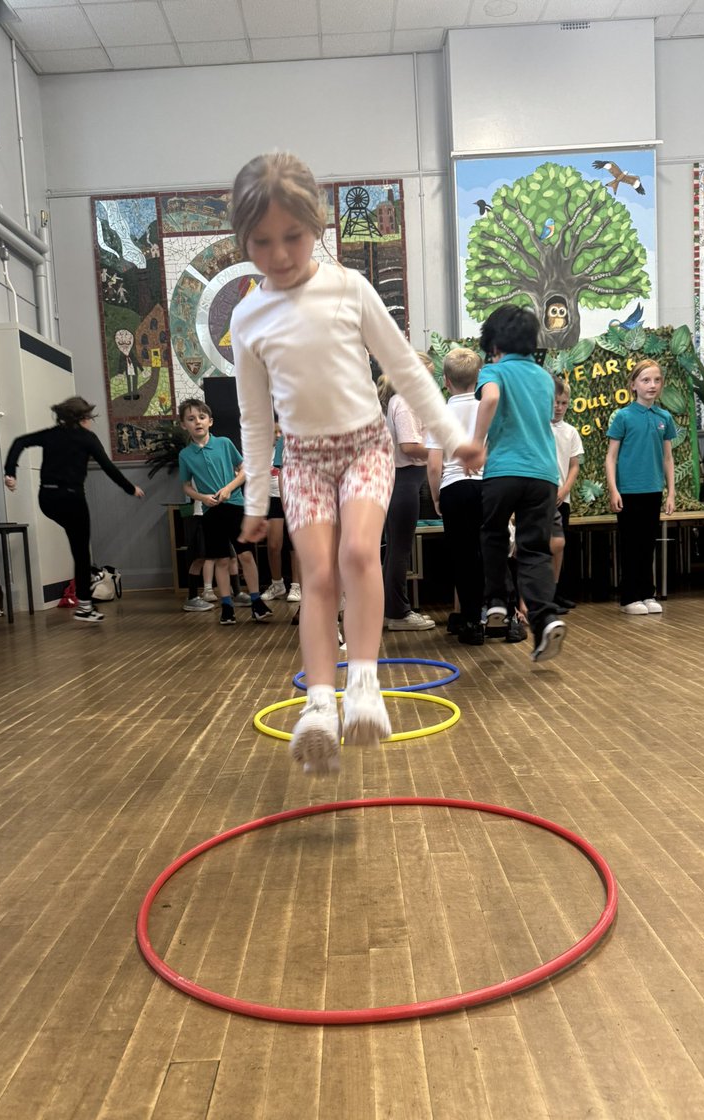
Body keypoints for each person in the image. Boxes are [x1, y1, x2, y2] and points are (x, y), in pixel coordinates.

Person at [229, 151, 483, 774]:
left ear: (316, 226)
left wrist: (454, 437)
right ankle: (320, 703)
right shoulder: (248, 316)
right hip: (304, 459)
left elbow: (407, 372)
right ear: (243, 240)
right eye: (261, 242)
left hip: (365, 445)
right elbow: (255, 419)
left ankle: (364, 685)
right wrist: (256, 500)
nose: (279, 254)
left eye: (293, 236)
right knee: (316, 576)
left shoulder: (348, 288)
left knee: (360, 554)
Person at [473, 304, 566, 663]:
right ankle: (546, 619)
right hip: (543, 474)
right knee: (535, 550)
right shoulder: (543, 378)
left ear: (494, 344)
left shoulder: (493, 371)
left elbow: (492, 398)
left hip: (504, 471)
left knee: (493, 535)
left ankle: (497, 602)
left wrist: (477, 443)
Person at [3, 395, 144, 623]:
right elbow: (108, 467)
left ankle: (85, 603)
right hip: (72, 499)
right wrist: (131, 488)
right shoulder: (88, 438)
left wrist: (10, 472)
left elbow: (20, 442)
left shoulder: (51, 434)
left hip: (47, 499)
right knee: (80, 552)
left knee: (75, 539)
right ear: (83, 418)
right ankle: (85, 607)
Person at [177, 398, 272, 625]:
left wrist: (229, 488)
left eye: (201, 417)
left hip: (235, 506)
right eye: (191, 419)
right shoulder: (185, 455)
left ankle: (256, 602)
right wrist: (202, 498)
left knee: (245, 555)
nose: (197, 422)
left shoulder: (224, 443)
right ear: (183, 425)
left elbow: (244, 470)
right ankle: (227, 606)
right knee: (221, 559)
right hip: (211, 512)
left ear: (210, 421)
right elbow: (186, 486)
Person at [605, 358, 676, 615]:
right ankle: (629, 598)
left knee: (648, 544)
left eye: (657, 380)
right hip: (628, 491)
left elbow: (668, 458)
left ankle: (647, 593)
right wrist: (614, 489)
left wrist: (671, 492)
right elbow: (611, 457)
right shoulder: (623, 417)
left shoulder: (664, 418)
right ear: (633, 385)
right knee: (630, 544)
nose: (652, 385)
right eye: (646, 380)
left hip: (653, 490)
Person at [426, 347, 485, 645]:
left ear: (446, 381)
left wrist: (436, 497)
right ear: (479, 376)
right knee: (491, 550)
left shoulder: (440, 415)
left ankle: (471, 621)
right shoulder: (487, 408)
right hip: (487, 486)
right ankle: (503, 615)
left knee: (463, 557)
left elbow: (434, 465)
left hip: (453, 488)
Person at [380, 356, 436, 632]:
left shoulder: (403, 401)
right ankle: (397, 612)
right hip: (403, 479)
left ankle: (392, 608)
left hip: (405, 479)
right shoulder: (405, 403)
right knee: (399, 548)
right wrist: (442, 452)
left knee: (397, 548)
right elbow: (409, 446)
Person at [551, 376, 584, 613]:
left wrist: (564, 490)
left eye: (563, 403)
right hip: (540, 497)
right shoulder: (537, 428)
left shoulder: (571, 432)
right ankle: (541, 593)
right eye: (555, 402)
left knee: (559, 546)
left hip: (562, 498)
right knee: (542, 545)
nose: (559, 407)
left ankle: (555, 591)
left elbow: (574, 466)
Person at [261, 423, 302, 604]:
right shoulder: (265, 452)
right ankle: (277, 584)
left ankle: (296, 586)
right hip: (275, 500)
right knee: (273, 544)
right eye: (274, 432)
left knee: (296, 546)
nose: (278, 435)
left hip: (297, 499)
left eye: (280, 432)